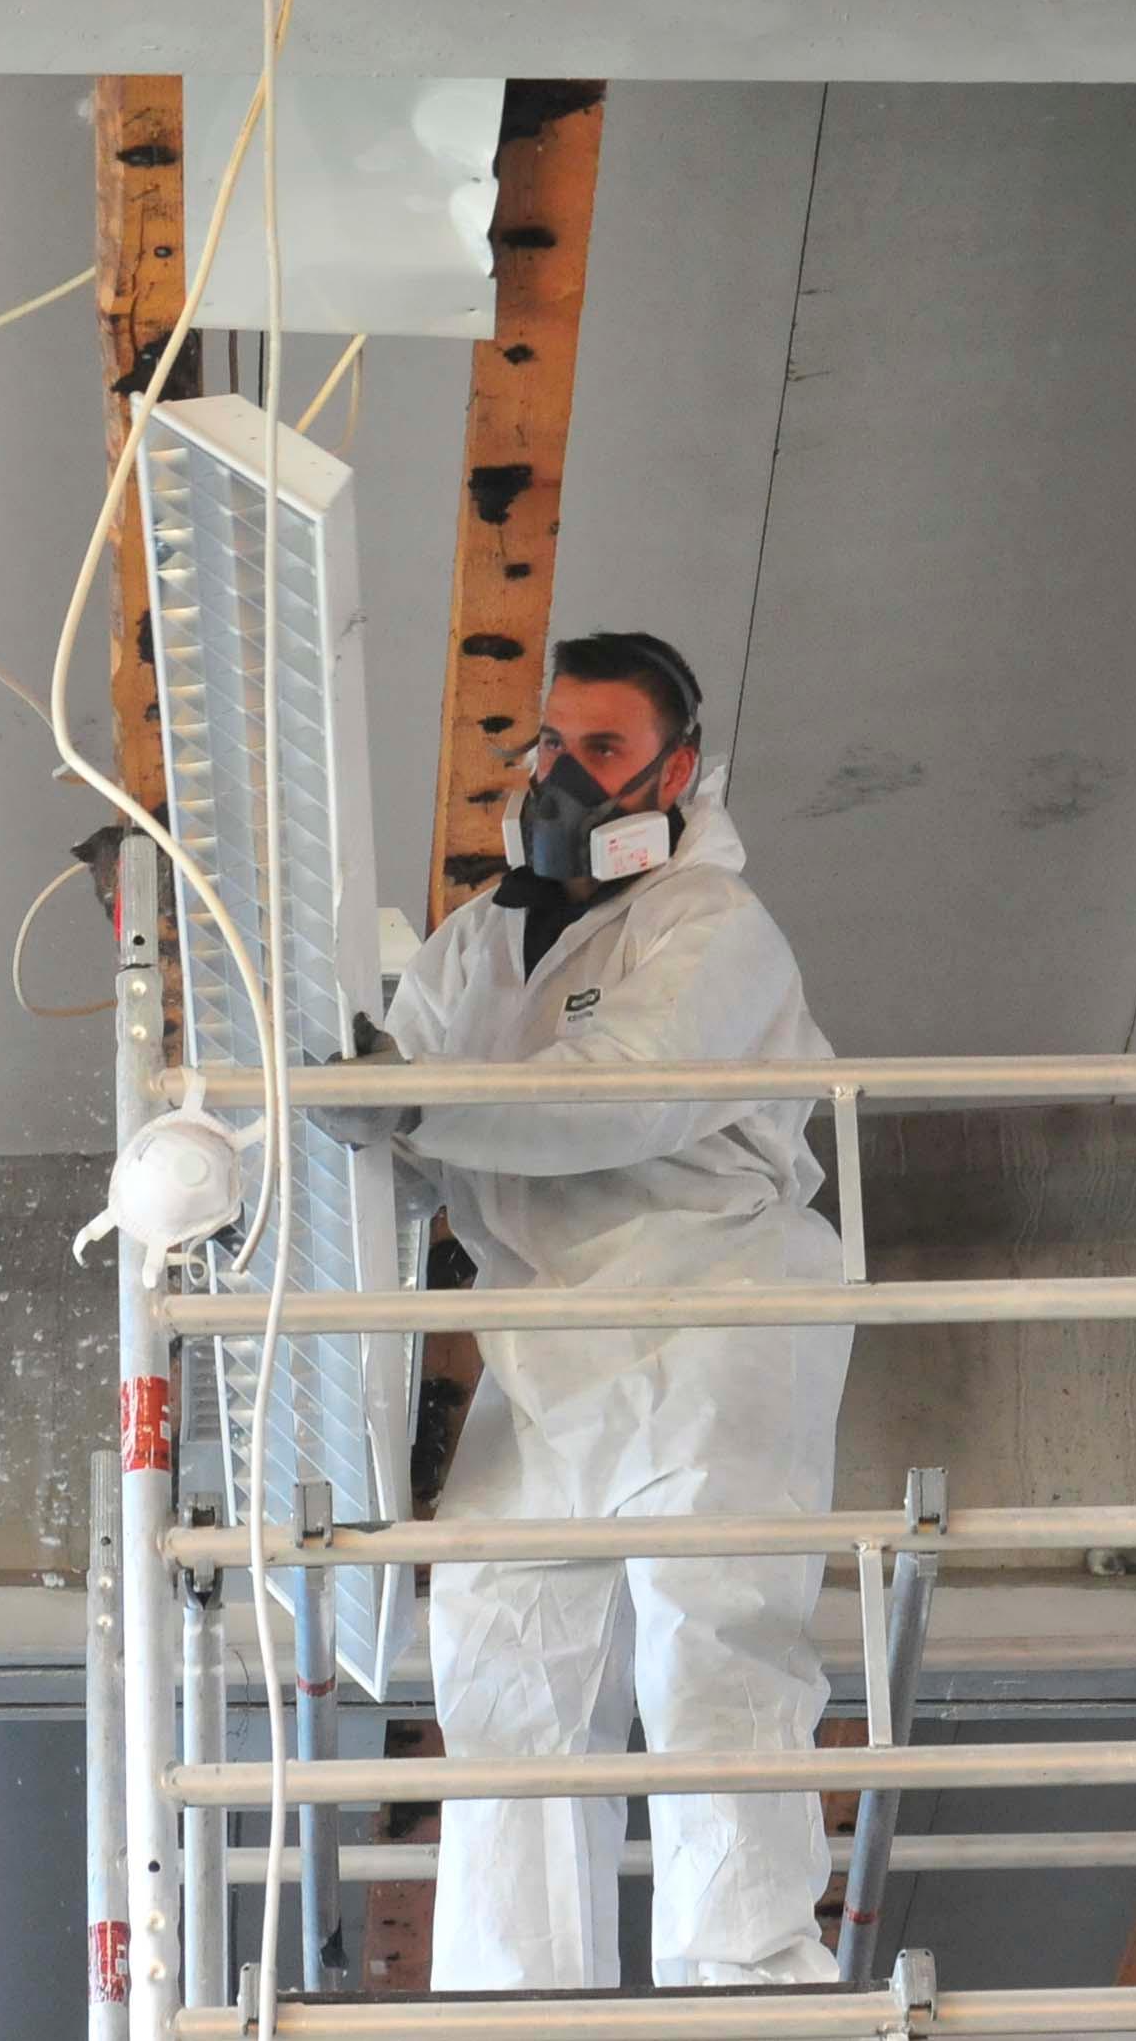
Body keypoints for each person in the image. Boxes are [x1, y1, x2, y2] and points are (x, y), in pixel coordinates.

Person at [311, 630, 851, 1991]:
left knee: (712, 1647)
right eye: (550, 744)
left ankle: (745, 1998)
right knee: (501, 1672)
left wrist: (412, 1099)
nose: (563, 776)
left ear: (677, 772)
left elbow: (629, 1089)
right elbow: (418, 1132)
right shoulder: (471, 947)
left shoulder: (709, 927)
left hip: (709, 1309)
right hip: (543, 1339)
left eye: (602, 750)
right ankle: (513, 2009)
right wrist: (355, 1096)